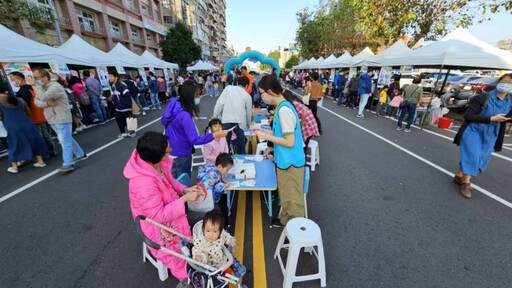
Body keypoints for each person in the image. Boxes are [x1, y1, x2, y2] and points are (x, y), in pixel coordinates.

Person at [123, 131, 201, 286]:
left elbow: (171, 182)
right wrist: (184, 199)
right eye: (168, 150)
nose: (171, 150)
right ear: (155, 158)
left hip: (169, 213)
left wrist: (184, 190)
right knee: (178, 257)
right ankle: (189, 278)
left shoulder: (155, 165)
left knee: (192, 241)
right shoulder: (143, 184)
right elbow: (158, 216)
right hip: (157, 227)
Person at [256, 75, 305, 227]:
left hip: (291, 162)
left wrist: (264, 135)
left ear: (270, 91)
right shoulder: (281, 108)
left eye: (261, 93)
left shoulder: (284, 110)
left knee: (293, 200)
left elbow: (290, 142)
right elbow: (281, 135)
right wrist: (267, 137)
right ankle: (286, 221)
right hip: (285, 161)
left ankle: (296, 231)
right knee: (286, 196)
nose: (261, 97)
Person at [453, 74, 512, 199]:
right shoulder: (483, 96)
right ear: (498, 82)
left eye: (510, 83)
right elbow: (468, 116)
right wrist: (491, 118)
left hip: (492, 133)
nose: (506, 85)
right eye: (504, 81)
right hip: (473, 130)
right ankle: (466, 183)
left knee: (481, 158)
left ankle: (459, 175)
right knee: (473, 156)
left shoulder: (511, 100)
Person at [162, 81, 227, 178]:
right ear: (189, 95)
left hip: (170, 151)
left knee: (173, 181)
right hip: (182, 153)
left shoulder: (174, 102)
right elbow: (194, 139)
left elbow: (164, 120)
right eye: (197, 95)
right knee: (182, 183)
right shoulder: (184, 115)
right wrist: (214, 135)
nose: (198, 98)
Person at [33, 68, 88, 172]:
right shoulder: (42, 88)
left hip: (61, 117)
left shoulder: (55, 86)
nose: (34, 80)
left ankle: (68, 163)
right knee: (67, 138)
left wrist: (35, 87)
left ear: (44, 78)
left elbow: (44, 97)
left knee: (64, 141)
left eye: (36, 78)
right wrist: (47, 104)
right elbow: (37, 101)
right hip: (52, 118)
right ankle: (81, 154)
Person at [0, 81, 47, 173]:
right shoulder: (19, 100)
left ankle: (15, 167)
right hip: (27, 124)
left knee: (13, 145)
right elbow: (28, 112)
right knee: (34, 142)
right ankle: (40, 161)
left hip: (11, 127)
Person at [9, 72, 56, 156]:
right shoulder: (32, 88)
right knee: (45, 134)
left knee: (38, 136)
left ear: (18, 79)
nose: (12, 82)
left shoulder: (22, 92)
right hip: (41, 115)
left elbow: (25, 106)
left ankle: (43, 154)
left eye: (12, 80)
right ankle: (52, 151)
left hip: (32, 117)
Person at [191, 209, 246, 279]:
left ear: (219, 231)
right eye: (208, 231)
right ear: (203, 229)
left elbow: (225, 235)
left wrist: (230, 240)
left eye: (214, 231)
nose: (211, 234)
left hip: (222, 260)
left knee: (230, 262)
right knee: (225, 276)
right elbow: (199, 252)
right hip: (211, 267)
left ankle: (234, 267)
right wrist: (200, 258)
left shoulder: (221, 234)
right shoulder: (201, 243)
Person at [212, 76, 252, 154]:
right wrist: (248, 123)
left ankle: (225, 159)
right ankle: (241, 162)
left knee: (225, 144)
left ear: (237, 83)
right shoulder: (247, 96)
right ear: (247, 85)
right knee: (241, 145)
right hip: (239, 122)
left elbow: (219, 104)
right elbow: (248, 112)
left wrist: (215, 116)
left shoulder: (228, 88)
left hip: (227, 120)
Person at [197, 153, 233, 222]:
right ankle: (224, 226)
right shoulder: (212, 176)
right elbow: (210, 193)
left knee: (225, 203)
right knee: (224, 209)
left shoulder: (212, 169)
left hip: (206, 198)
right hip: (207, 202)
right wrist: (223, 185)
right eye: (227, 170)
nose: (227, 172)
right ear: (220, 167)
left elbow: (215, 181)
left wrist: (221, 181)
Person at [108, 70, 136, 138]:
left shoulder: (121, 85)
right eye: (109, 76)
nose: (109, 78)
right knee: (119, 121)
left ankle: (132, 132)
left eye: (111, 76)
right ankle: (122, 132)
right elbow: (114, 95)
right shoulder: (112, 86)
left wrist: (130, 107)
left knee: (129, 121)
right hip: (118, 108)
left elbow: (128, 96)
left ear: (116, 77)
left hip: (126, 107)